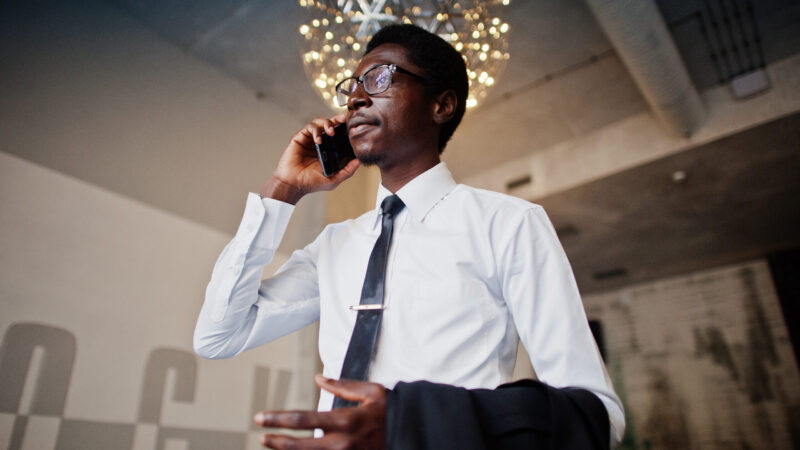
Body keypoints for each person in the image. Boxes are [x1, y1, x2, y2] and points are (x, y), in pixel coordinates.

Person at [194, 24, 624, 449]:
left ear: (442, 105)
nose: (356, 99)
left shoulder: (508, 223)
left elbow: (596, 414)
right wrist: (283, 189)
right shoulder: (333, 245)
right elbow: (218, 336)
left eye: (380, 78)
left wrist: (412, 420)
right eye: (353, 87)